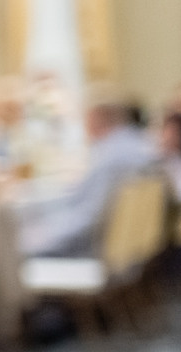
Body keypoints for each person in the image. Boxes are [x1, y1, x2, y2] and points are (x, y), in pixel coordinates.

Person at [17, 92, 158, 257]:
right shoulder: (130, 145)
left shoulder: (116, 156)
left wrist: (39, 236)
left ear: (97, 119)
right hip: (103, 243)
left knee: (4, 249)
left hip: (94, 249)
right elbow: (79, 198)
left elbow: (91, 218)